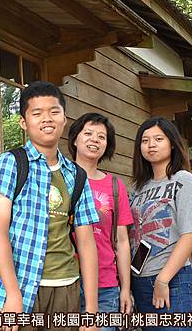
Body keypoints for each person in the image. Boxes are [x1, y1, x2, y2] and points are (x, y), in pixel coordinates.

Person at [0, 81, 100, 331]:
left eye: (54, 112)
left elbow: (87, 242)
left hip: (65, 288)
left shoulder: (76, 175)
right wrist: (13, 294)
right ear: (24, 122)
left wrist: (91, 308)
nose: (47, 119)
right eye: (37, 113)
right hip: (17, 286)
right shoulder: (10, 163)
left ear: (64, 119)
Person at [129, 117, 192, 331]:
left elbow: (190, 233)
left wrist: (163, 280)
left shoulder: (182, 180)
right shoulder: (137, 188)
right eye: (145, 141)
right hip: (140, 280)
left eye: (158, 139)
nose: (151, 144)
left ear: (171, 143)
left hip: (172, 279)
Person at [67, 113, 133, 330]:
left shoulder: (115, 186)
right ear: (75, 139)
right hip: (65, 282)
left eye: (101, 137)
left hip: (106, 287)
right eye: (88, 133)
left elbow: (122, 242)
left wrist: (125, 288)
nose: (94, 139)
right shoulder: (57, 179)